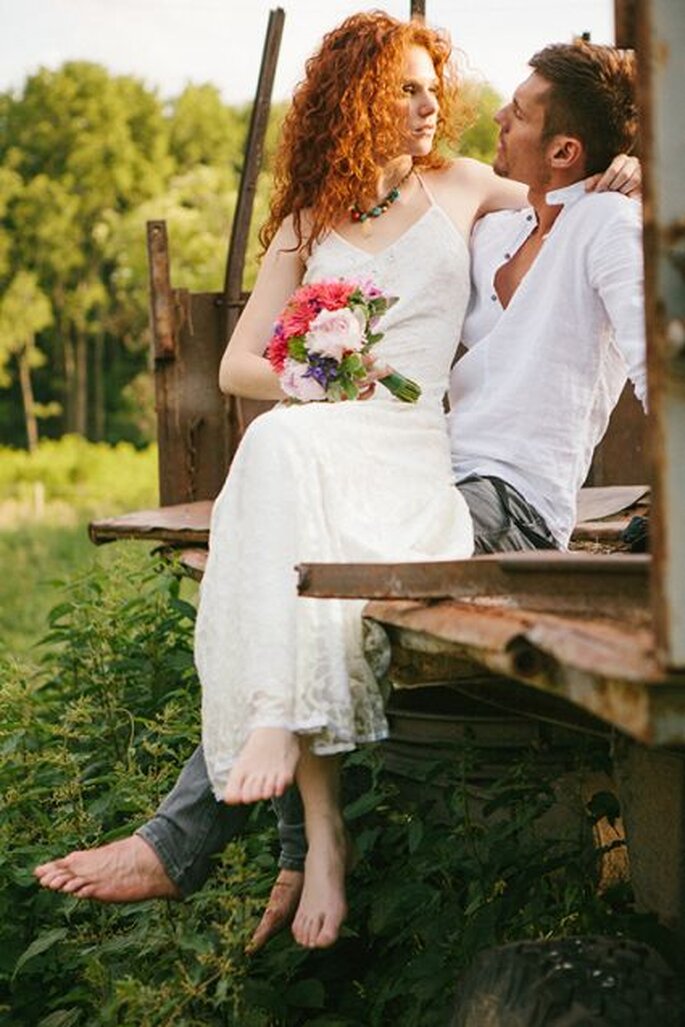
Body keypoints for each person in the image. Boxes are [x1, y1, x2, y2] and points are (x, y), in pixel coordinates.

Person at [34, 16, 642, 950]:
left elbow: (578, 185)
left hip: (439, 462)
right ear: (357, 99)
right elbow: (240, 364)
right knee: (282, 463)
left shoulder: (483, 191)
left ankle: (237, 828)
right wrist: (324, 374)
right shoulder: (342, 219)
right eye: (406, 88)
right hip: (364, 440)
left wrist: (633, 164)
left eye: (435, 87)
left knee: (293, 514)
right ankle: (310, 834)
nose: (438, 106)